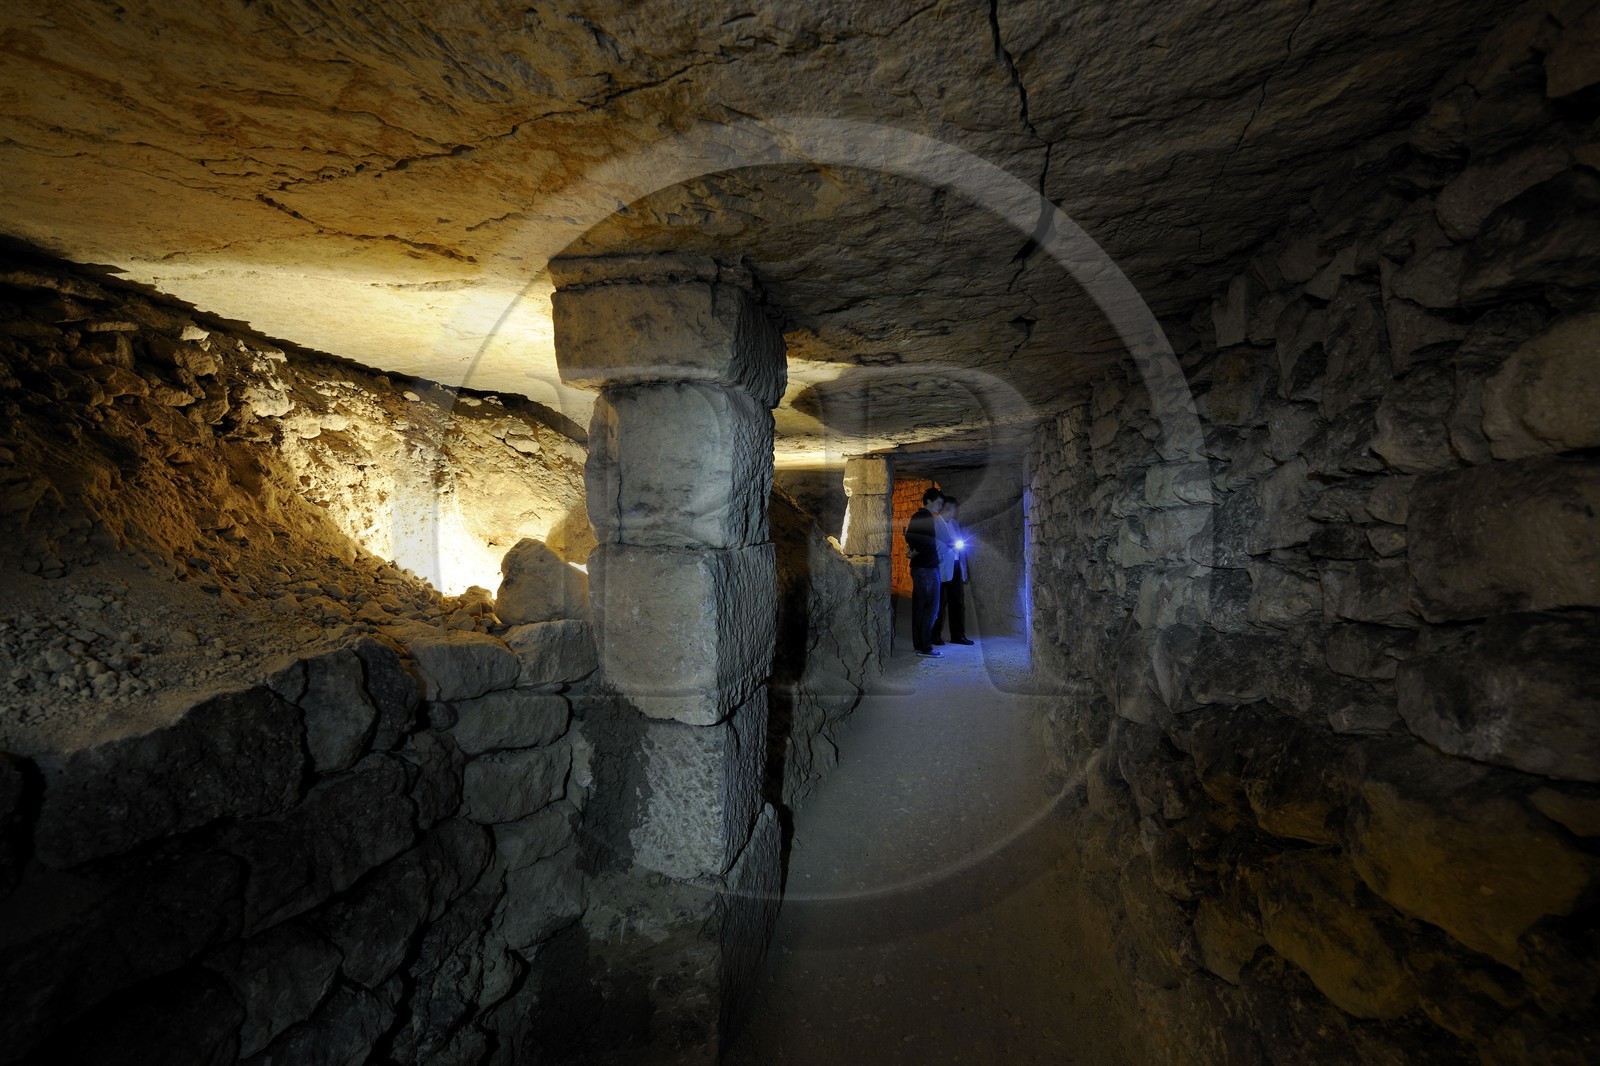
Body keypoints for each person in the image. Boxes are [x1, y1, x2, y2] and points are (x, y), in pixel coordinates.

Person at [905, 487, 944, 657]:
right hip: (927, 568)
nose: (940, 506)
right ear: (929, 501)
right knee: (931, 608)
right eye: (939, 503)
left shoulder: (917, 516)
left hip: (920, 567)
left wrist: (913, 550)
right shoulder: (926, 518)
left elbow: (909, 536)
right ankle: (926, 647)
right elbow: (923, 541)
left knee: (920, 607)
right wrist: (917, 550)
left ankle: (919, 645)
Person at [933, 495, 974, 646]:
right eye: (950, 510)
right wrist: (947, 546)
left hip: (956, 566)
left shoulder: (955, 524)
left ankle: (958, 635)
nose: (953, 514)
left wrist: (963, 567)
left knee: (957, 602)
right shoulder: (934, 524)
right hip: (941, 567)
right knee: (939, 603)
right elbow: (932, 546)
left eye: (954, 510)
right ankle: (934, 635)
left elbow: (961, 548)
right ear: (943, 509)